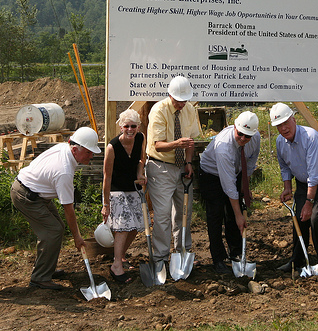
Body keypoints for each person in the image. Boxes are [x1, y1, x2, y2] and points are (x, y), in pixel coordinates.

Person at [10, 127, 101, 290]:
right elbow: (69, 209)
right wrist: (77, 237)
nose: (91, 156)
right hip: (26, 196)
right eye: (88, 152)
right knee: (53, 231)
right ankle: (40, 278)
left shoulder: (63, 148)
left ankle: (46, 269)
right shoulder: (63, 172)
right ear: (75, 149)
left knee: (56, 228)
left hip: (36, 192)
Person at [270, 103, 318, 274]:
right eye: (279, 125)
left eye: (286, 122)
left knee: (316, 218)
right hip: (303, 183)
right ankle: (298, 260)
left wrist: (309, 203)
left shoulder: (310, 137)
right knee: (299, 218)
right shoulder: (280, 142)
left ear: (294, 119)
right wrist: (287, 187)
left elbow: (315, 174)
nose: (283, 128)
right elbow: (285, 166)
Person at [146, 76, 201, 272]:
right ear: (169, 95)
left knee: (183, 212)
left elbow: (190, 141)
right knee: (162, 215)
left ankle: (182, 252)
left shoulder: (190, 109)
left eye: (184, 100)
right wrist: (176, 144)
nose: (181, 103)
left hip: (181, 167)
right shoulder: (159, 110)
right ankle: (160, 256)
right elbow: (157, 145)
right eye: (178, 100)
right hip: (160, 167)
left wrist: (188, 162)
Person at [199, 111, 261, 274]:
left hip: (236, 170)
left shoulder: (255, 138)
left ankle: (236, 253)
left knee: (234, 216)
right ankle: (218, 258)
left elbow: (251, 161)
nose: (242, 139)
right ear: (234, 127)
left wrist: (244, 187)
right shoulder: (223, 146)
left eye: (247, 136)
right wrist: (239, 214)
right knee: (216, 214)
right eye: (240, 134)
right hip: (211, 174)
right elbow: (228, 186)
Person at [101, 109, 146, 283]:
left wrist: (140, 174)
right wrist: (106, 204)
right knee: (124, 226)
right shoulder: (112, 147)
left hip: (132, 188)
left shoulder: (140, 138)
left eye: (133, 126)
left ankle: (118, 258)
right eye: (126, 126)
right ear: (121, 127)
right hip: (116, 190)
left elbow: (141, 159)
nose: (130, 129)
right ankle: (116, 266)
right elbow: (107, 176)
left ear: (138, 127)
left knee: (136, 226)